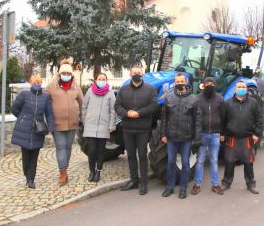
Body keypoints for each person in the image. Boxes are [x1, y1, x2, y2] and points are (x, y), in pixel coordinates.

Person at [114, 66, 158, 195]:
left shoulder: (150, 89)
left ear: (142, 74)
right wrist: (127, 113)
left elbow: (154, 105)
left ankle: (144, 183)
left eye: (138, 73)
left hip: (143, 128)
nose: (136, 75)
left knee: (142, 156)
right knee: (131, 156)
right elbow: (117, 105)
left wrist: (139, 113)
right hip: (127, 128)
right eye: (134, 73)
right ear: (130, 74)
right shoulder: (123, 89)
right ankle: (134, 180)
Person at [160, 73, 201, 199]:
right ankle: (170, 187)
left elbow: (198, 120)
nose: (179, 83)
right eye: (177, 81)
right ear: (175, 82)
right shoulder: (169, 98)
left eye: (181, 81)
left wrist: (197, 138)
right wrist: (163, 134)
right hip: (172, 137)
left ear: (186, 81)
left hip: (186, 138)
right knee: (171, 162)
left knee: (185, 163)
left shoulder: (194, 99)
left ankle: (183, 189)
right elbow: (164, 118)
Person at [11, 75, 55, 189]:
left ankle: (31, 180)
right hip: (24, 129)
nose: (37, 84)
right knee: (25, 157)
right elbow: (14, 108)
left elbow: (49, 114)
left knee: (34, 156)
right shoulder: (24, 95)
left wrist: (50, 127)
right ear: (30, 83)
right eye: (35, 82)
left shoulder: (45, 97)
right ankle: (27, 175)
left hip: (38, 130)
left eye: (39, 82)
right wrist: (22, 118)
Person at [221, 80, 264, 194]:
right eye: (239, 87)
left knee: (248, 162)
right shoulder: (227, 103)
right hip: (232, 138)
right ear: (235, 89)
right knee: (229, 161)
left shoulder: (253, 103)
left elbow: (260, 119)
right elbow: (222, 121)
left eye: (243, 87)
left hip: (247, 138)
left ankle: (251, 184)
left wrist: (257, 134)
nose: (241, 89)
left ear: (246, 89)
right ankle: (226, 183)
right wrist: (222, 134)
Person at [46, 59, 84, 186]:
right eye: (64, 73)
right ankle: (62, 172)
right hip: (57, 124)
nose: (66, 76)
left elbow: (82, 103)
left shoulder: (76, 86)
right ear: (59, 74)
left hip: (72, 123)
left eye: (68, 74)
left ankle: (65, 169)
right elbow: (44, 102)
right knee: (61, 147)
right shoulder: (51, 86)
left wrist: (83, 119)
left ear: (72, 75)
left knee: (68, 147)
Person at [191, 77, 225, 195]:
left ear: (215, 85)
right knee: (200, 160)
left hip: (215, 134)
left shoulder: (220, 99)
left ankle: (215, 185)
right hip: (202, 134)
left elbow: (223, 117)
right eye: (207, 84)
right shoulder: (197, 98)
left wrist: (222, 133)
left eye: (211, 84)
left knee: (214, 160)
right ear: (203, 85)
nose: (209, 85)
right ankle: (197, 184)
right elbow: (193, 117)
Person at [82, 73, 116, 183]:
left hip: (104, 126)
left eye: (104, 79)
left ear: (106, 80)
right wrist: (85, 121)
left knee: (101, 151)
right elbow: (84, 107)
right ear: (96, 80)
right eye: (99, 79)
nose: (101, 80)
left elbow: (113, 110)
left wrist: (112, 125)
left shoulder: (110, 93)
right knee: (91, 151)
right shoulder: (90, 91)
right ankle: (91, 171)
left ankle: (98, 171)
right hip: (90, 126)